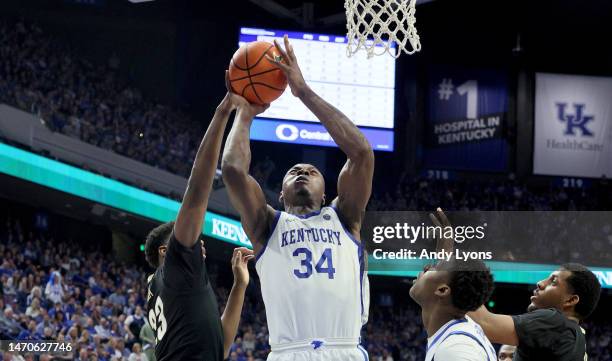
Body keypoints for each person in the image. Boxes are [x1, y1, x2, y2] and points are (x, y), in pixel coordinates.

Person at [222, 35, 374, 360]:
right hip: (288, 352)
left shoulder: (345, 216)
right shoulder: (267, 223)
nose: (302, 172)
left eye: (312, 171)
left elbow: (361, 153)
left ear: (326, 191)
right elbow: (233, 171)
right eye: (294, 171)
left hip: (344, 350)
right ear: (280, 193)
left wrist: (302, 92)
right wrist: (245, 113)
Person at [144, 73, 255, 361]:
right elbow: (197, 192)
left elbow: (220, 347)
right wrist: (223, 111)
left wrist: (239, 286)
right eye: (192, 241)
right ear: (166, 251)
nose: (199, 244)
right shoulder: (175, 271)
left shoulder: (173, 284)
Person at [469, 263, 601, 361]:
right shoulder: (576, 337)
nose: (540, 283)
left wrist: (462, 274)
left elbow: (483, 322)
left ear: (570, 300)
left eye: (553, 281)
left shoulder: (554, 321)